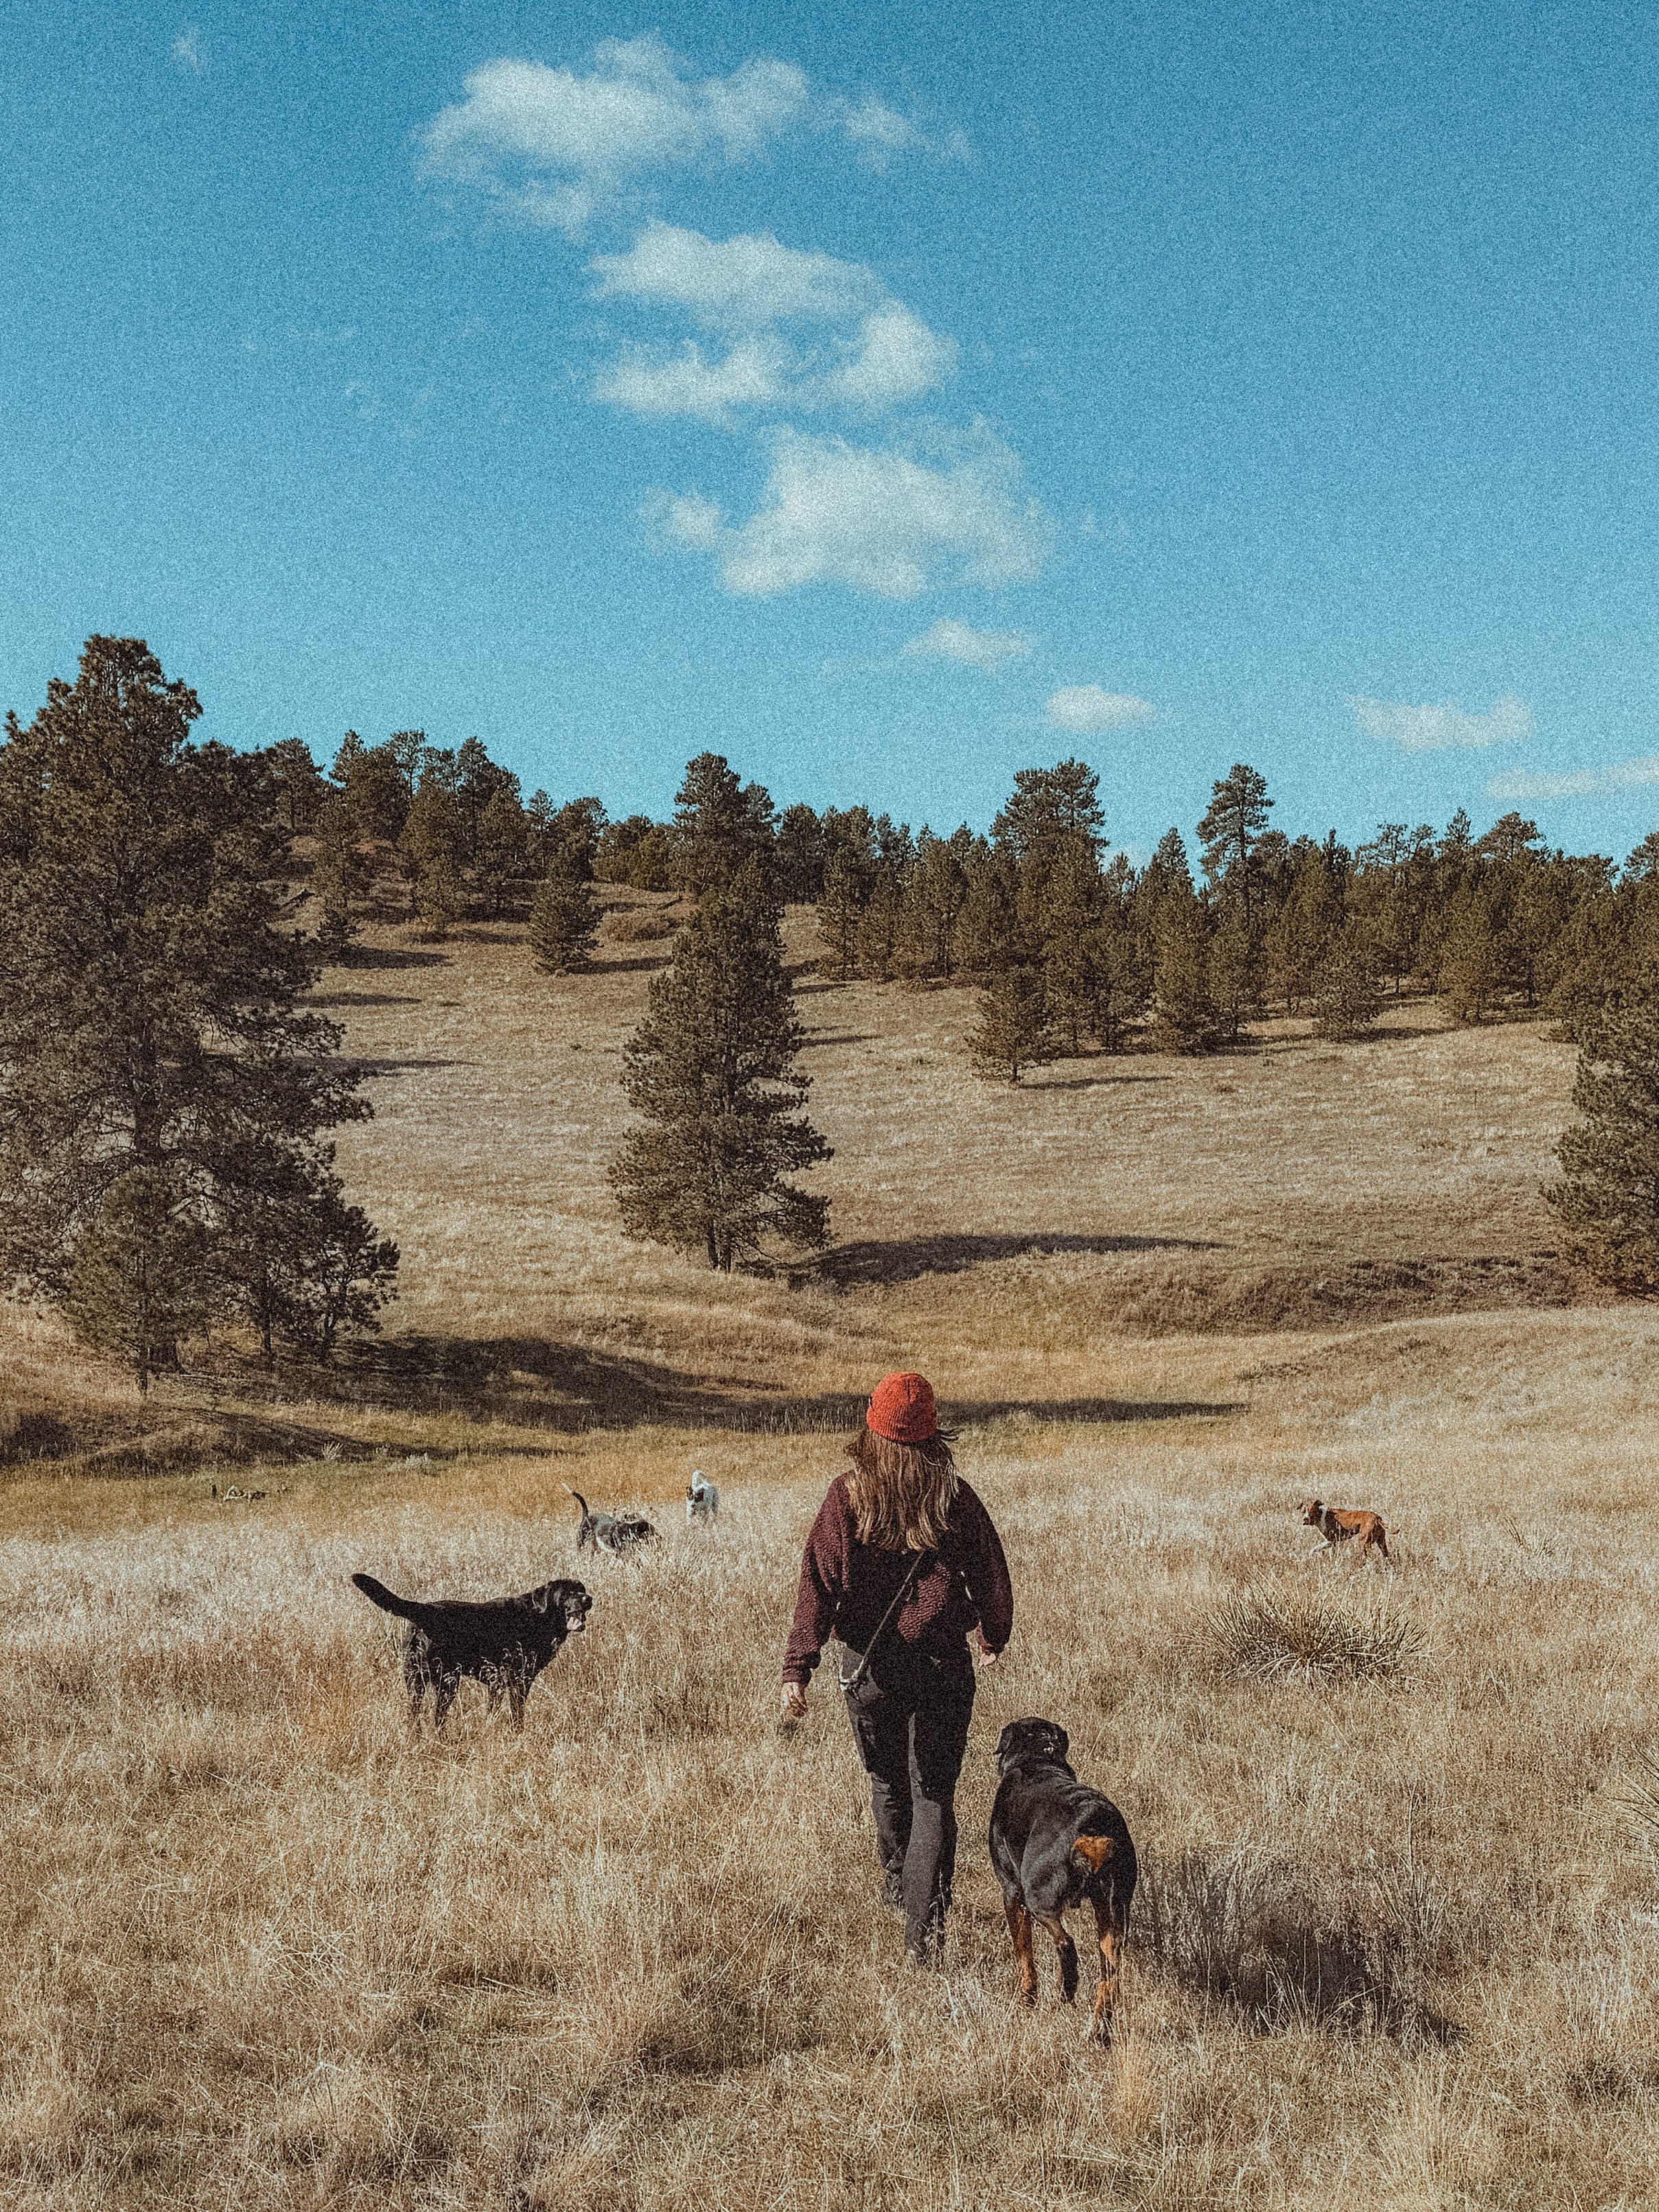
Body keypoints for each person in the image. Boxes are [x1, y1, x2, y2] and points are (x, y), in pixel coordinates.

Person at [780, 1371, 1014, 1966]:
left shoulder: (847, 1496)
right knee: (933, 1795)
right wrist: (992, 1632)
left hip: (871, 1670)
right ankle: (923, 1934)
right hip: (942, 1667)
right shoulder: (954, 1497)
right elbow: (991, 1571)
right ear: (933, 1433)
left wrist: (797, 1668)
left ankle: (897, 1885)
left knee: (887, 1783)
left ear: (871, 1429)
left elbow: (817, 1585)